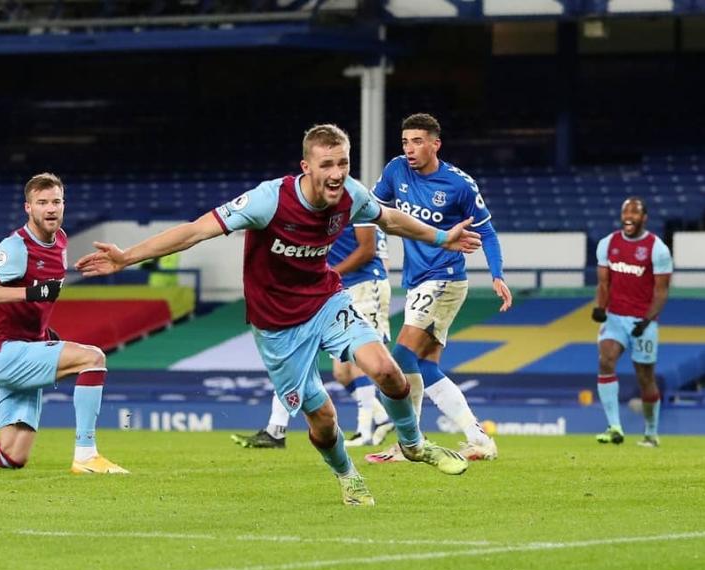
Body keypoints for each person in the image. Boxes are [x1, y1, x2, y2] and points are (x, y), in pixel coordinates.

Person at [77, 124, 478, 505]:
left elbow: (389, 218)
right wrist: (127, 257)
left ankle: (413, 444)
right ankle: (346, 474)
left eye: (343, 163)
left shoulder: (352, 196)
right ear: (306, 167)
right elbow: (196, 230)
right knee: (322, 419)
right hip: (277, 326)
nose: (337, 173)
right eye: (327, 165)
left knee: (386, 369)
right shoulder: (268, 200)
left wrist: (443, 236)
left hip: (325, 301)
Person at [0, 173, 128, 474]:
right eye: (42, 202)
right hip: (6, 355)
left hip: (24, 347)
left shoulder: (60, 240)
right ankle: (87, 455)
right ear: (28, 208)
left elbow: (37, 303)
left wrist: (41, 332)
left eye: (56, 201)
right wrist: (31, 292)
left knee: (11, 456)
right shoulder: (16, 247)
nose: (51, 208)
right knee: (93, 358)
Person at [366, 113, 512, 464]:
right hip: (417, 281)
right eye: (405, 141)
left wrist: (497, 273)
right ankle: (471, 440)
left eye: (417, 141)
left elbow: (487, 232)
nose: (410, 149)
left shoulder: (459, 185)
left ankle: (411, 442)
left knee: (399, 359)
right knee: (425, 365)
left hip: (445, 278)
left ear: (435, 144)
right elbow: (373, 209)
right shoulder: (396, 171)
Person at [231, 224, 394, 449]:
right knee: (340, 372)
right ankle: (382, 419)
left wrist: (337, 275)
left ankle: (364, 430)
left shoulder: (356, 203)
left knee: (358, 361)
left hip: (364, 286)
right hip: (337, 290)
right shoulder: (321, 210)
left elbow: (372, 252)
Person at [591, 197, 672, 447]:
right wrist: (599, 307)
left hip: (643, 321)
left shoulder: (657, 248)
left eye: (634, 212)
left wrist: (647, 321)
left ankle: (651, 433)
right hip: (615, 317)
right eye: (625, 211)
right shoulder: (608, 244)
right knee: (606, 360)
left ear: (644, 218)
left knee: (645, 378)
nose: (628, 216)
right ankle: (614, 426)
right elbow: (604, 283)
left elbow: (661, 291)